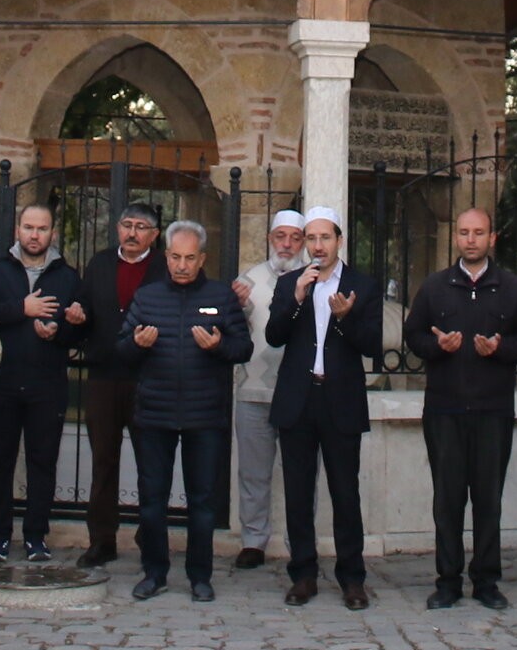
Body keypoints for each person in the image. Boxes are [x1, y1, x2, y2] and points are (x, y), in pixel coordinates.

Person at [410, 208, 517, 610]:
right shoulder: (435, 287)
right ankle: (447, 581)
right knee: (447, 500)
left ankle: (486, 580)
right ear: (457, 239)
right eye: (464, 232)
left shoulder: (512, 288)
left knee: (488, 499)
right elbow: (413, 335)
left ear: (492, 238)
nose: (470, 239)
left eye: (478, 233)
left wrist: (501, 349)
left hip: (492, 408)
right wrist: (437, 347)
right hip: (445, 409)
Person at [118, 219, 252, 601]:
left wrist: (218, 347)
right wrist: (138, 344)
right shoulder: (147, 297)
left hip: (205, 416)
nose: (181, 265)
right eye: (175, 257)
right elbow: (122, 350)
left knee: (202, 502)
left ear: (202, 258)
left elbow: (243, 349)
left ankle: (200, 576)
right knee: (152, 500)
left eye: (189, 258)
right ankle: (154, 572)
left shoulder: (221, 296)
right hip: (154, 415)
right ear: (166, 256)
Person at [266, 208, 382, 609]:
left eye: (325, 238)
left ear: (339, 241)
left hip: (340, 401)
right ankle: (303, 574)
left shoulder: (362, 286)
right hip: (298, 401)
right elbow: (274, 335)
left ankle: (352, 579)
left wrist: (345, 319)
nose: (318, 246)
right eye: (310, 239)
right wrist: (297, 299)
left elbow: (372, 344)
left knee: (345, 493)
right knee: (298, 494)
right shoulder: (290, 283)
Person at [0, 204, 83, 563]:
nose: (34, 235)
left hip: (47, 383)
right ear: (17, 231)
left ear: (52, 233)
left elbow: (79, 328)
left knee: (43, 461)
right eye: (28, 227)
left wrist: (61, 329)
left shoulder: (66, 276)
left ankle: (36, 536)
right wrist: (20, 310)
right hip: (2, 380)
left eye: (42, 228)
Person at [75, 201, 162, 568]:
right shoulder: (99, 264)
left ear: (154, 235)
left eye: (141, 227)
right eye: (126, 225)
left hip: (148, 378)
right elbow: (84, 311)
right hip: (104, 377)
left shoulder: (162, 268)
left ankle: (150, 537)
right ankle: (102, 539)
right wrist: (76, 317)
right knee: (103, 461)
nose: (131, 233)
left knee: (150, 463)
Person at [229, 211, 309, 571]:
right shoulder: (247, 280)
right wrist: (237, 307)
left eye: (295, 237)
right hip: (253, 389)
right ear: (269, 238)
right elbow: (230, 331)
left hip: (299, 393)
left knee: (301, 474)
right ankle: (253, 541)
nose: (287, 244)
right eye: (281, 236)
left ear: (304, 242)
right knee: (253, 472)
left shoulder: (314, 278)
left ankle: (300, 542)